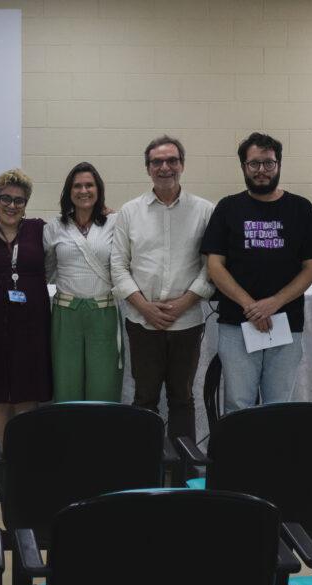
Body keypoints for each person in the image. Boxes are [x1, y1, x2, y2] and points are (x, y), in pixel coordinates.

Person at [201, 133, 312, 413]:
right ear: (243, 167)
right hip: (236, 322)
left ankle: (272, 458)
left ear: (279, 165)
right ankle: (240, 458)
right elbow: (214, 266)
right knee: (238, 404)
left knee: (278, 405)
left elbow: (311, 269)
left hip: (286, 322)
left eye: (268, 163)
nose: (261, 171)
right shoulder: (228, 208)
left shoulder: (301, 209)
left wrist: (273, 303)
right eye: (254, 164)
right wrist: (251, 306)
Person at [111, 135, 215, 439]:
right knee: (144, 399)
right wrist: (143, 307)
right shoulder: (129, 212)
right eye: (157, 162)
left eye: (172, 161)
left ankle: (181, 474)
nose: (165, 167)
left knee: (182, 399)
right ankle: (145, 469)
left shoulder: (205, 211)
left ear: (182, 165)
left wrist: (185, 302)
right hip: (142, 322)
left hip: (187, 321)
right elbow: (118, 266)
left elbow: (211, 267)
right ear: (148, 169)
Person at [0, 169, 51, 444]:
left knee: (26, 400)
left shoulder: (40, 229)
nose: (12, 206)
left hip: (31, 331)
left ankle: (22, 471)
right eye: (5, 198)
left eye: (19, 200)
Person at [43, 162, 122, 402]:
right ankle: (68, 439)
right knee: (66, 386)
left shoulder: (115, 223)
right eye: (77, 186)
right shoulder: (54, 228)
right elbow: (48, 269)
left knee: (104, 386)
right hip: (66, 313)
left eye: (89, 185)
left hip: (103, 311)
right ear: (69, 192)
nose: (83, 190)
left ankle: (101, 439)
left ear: (98, 190)